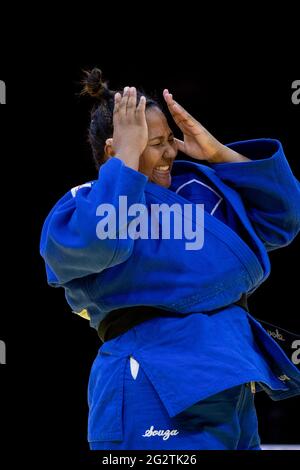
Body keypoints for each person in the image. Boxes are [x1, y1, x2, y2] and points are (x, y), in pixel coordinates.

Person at [40, 68, 300, 450]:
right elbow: (106, 243)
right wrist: (126, 161)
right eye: (152, 143)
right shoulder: (82, 204)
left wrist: (216, 152)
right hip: (153, 378)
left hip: (229, 373)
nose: (169, 153)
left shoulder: (197, 187)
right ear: (113, 150)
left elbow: (281, 221)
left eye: (168, 140)